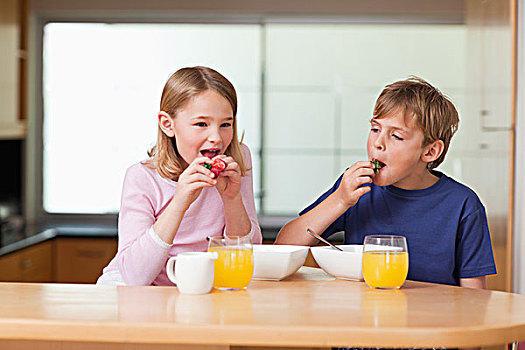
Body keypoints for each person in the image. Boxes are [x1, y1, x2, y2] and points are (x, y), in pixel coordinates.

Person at [275, 77, 496, 288]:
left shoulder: (463, 205)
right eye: (375, 129)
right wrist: (340, 200)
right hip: (368, 320)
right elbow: (283, 248)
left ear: (430, 151)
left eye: (396, 136)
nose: (378, 144)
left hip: (432, 321)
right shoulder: (356, 189)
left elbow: (473, 295)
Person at [97, 66, 262, 286]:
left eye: (226, 124)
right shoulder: (142, 177)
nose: (216, 138)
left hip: (207, 284)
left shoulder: (238, 158)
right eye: (201, 124)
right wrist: (179, 202)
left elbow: (248, 254)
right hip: (142, 287)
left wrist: (232, 199)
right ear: (168, 124)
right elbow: (135, 277)